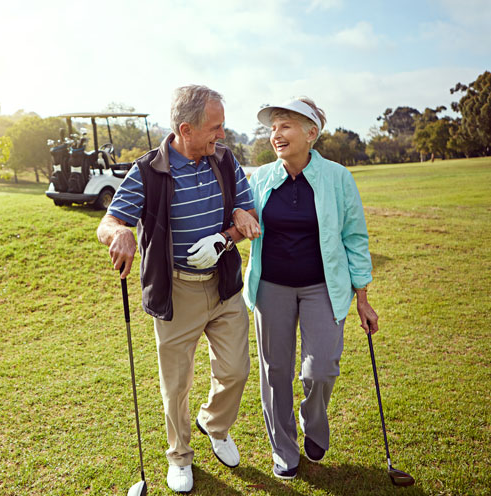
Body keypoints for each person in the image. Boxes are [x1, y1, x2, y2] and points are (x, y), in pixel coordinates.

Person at [96, 85, 260, 493]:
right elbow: (110, 222)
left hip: (222, 287)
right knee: (176, 385)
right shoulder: (148, 171)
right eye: (215, 127)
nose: (221, 135)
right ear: (186, 129)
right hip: (176, 292)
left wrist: (225, 236)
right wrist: (120, 235)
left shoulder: (225, 161)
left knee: (237, 370)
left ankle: (214, 424)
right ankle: (180, 456)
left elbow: (250, 215)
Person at [233, 96, 379, 480]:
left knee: (321, 370)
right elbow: (240, 214)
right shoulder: (261, 177)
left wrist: (362, 297)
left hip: (323, 287)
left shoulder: (338, 177)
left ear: (311, 133)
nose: (275, 134)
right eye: (273, 127)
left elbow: (355, 238)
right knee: (275, 371)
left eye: (285, 125)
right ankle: (284, 450)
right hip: (272, 287)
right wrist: (238, 217)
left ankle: (313, 423)